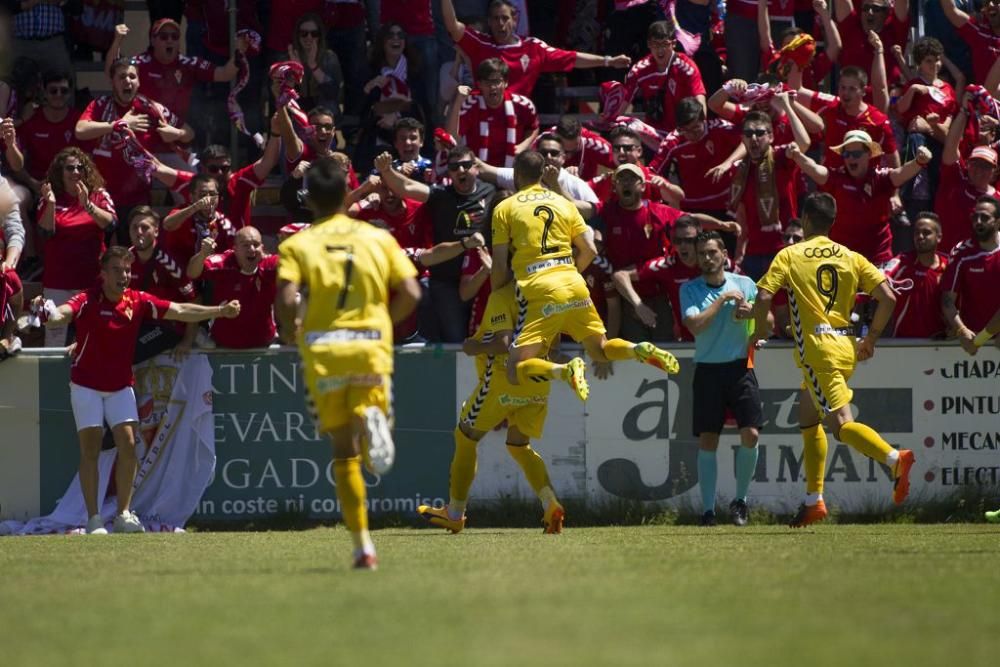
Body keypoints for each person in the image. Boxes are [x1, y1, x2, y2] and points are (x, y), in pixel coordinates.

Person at [275, 158, 421, 570]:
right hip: (370, 344)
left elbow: (286, 299)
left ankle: (362, 546)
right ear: (345, 194)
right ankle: (370, 414)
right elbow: (411, 291)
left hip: (324, 349)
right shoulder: (377, 238)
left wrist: (292, 329)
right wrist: (384, 325)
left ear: (309, 199)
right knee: (371, 431)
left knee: (343, 450)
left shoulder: (297, 244)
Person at [34, 246, 240, 535]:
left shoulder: (138, 300)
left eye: (127, 270)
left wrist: (219, 310)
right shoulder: (87, 298)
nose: (124, 275)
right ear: (103, 275)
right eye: (117, 270)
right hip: (86, 385)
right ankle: (93, 519)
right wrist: (46, 311)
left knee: (129, 448)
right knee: (90, 450)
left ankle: (123, 514)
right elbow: (60, 316)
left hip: (120, 386)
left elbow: (180, 310)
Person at [752, 192, 915, 527]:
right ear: (833, 221)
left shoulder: (790, 255)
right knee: (808, 417)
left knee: (840, 424)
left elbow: (765, 294)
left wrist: (756, 332)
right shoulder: (851, 256)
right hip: (846, 345)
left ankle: (894, 459)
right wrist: (870, 338)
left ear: (805, 219)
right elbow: (888, 296)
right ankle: (814, 501)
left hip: (817, 351)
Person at [491, 151, 680, 404]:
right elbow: (590, 250)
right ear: (542, 175)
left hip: (539, 287)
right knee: (601, 351)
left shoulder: (505, 207)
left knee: (514, 370)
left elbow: (500, 263)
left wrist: (497, 293)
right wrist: (571, 273)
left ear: (516, 175)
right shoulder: (563, 205)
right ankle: (637, 349)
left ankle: (564, 370)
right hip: (573, 283)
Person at [417, 281, 567, 535]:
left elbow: (504, 343)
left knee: (465, 436)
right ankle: (550, 504)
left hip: (502, 381)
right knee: (519, 446)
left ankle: (454, 514)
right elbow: (555, 346)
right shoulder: (548, 293)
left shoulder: (503, 294)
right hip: (537, 383)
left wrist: (474, 347)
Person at [680, 231, 765, 527]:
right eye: (702, 253)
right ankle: (707, 511)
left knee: (751, 434)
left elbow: (766, 324)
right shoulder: (689, 290)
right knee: (708, 439)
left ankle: (741, 501)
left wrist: (752, 314)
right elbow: (695, 325)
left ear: (724, 254)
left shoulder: (745, 284)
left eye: (712, 252)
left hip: (741, 368)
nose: (706, 258)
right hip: (707, 370)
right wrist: (722, 301)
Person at [375, 147, 497, 342]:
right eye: (454, 167)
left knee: (486, 339)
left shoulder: (491, 191)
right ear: (449, 172)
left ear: (476, 168)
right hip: (446, 282)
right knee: (456, 340)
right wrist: (386, 170)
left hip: (483, 280)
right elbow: (406, 187)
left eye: (466, 165)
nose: (461, 171)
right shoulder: (440, 194)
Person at [786, 133, 930, 266]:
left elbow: (902, 173)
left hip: (877, 259)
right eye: (846, 154)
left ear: (868, 154)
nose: (850, 158)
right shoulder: (837, 177)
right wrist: (797, 156)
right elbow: (815, 169)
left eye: (856, 154)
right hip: (842, 259)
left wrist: (918, 162)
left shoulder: (880, 178)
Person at [441, 0, 631, 98]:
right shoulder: (480, 44)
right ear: (489, 22)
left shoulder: (532, 48)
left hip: (518, 123)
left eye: (505, 18)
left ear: (515, 20)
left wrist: (608, 61)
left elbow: (572, 58)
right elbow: (452, 25)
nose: (501, 24)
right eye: (496, 19)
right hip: (482, 118)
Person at [37, 148, 116, 347]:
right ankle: (54, 379)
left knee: (93, 336)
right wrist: (52, 204)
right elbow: (45, 233)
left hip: (92, 280)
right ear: (60, 172)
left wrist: (87, 204)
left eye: (80, 167)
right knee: (54, 338)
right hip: (58, 281)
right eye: (69, 168)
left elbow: (111, 224)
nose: (75, 172)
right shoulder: (49, 196)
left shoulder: (99, 195)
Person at [727, 104, 811, 280]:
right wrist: (739, 252)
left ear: (771, 136)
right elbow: (741, 215)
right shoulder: (740, 171)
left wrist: (787, 105)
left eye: (760, 133)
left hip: (784, 249)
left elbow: (804, 143)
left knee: (785, 307)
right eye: (749, 134)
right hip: (753, 253)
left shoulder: (781, 158)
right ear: (743, 139)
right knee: (752, 306)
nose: (754, 138)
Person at [127, 206, 198, 361]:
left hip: (167, 325)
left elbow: (194, 299)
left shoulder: (168, 262)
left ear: (157, 232)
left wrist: (187, 341)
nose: (139, 232)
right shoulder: (126, 259)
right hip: (141, 323)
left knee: (128, 351)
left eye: (145, 227)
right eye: (134, 227)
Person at [188, 226, 278, 349]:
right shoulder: (223, 263)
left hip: (264, 343)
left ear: (262, 248)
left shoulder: (270, 264)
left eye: (255, 244)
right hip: (224, 344)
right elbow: (192, 273)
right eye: (245, 245)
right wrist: (202, 254)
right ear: (234, 249)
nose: (251, 249)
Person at [449, 59, 539, 168]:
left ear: (505, 82)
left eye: (496, 81)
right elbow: (452, 138)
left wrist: (523, 146)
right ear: (479, 84)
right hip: (478, 170)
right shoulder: (470, 105)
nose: (492, 87)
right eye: (487, 82)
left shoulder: (523, 105)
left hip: (511, 171)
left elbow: (533, 127)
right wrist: (459, 101)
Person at [941, 195, 1000, 355]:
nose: (978, 221)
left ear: (998, 221)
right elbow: (947, 301)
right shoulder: (961, 252)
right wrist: (961, 330)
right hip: (970, 346)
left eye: (985, 217)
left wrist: (981, 338)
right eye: (975, 216)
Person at [475, 132, 599, 204]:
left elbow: (595, 212)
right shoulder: (521, 176)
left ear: (563, 157)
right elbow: (482, 169)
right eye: (543, 153)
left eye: (554, 153)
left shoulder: (576, 185)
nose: (548, 157)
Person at [883, 213, 949, 338]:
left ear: (939, 237)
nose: (920, 236)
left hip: (939, 344)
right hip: (904, 343)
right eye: (917, 232)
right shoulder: (902, 261)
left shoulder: (949, 266)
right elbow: (881, 277)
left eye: (926, 232)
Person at [939, 0, 1000, 85]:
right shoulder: (980, 32)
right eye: (986, 3)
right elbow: (951, 11)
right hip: (986, 96)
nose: (990, 5)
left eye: (996, 1)